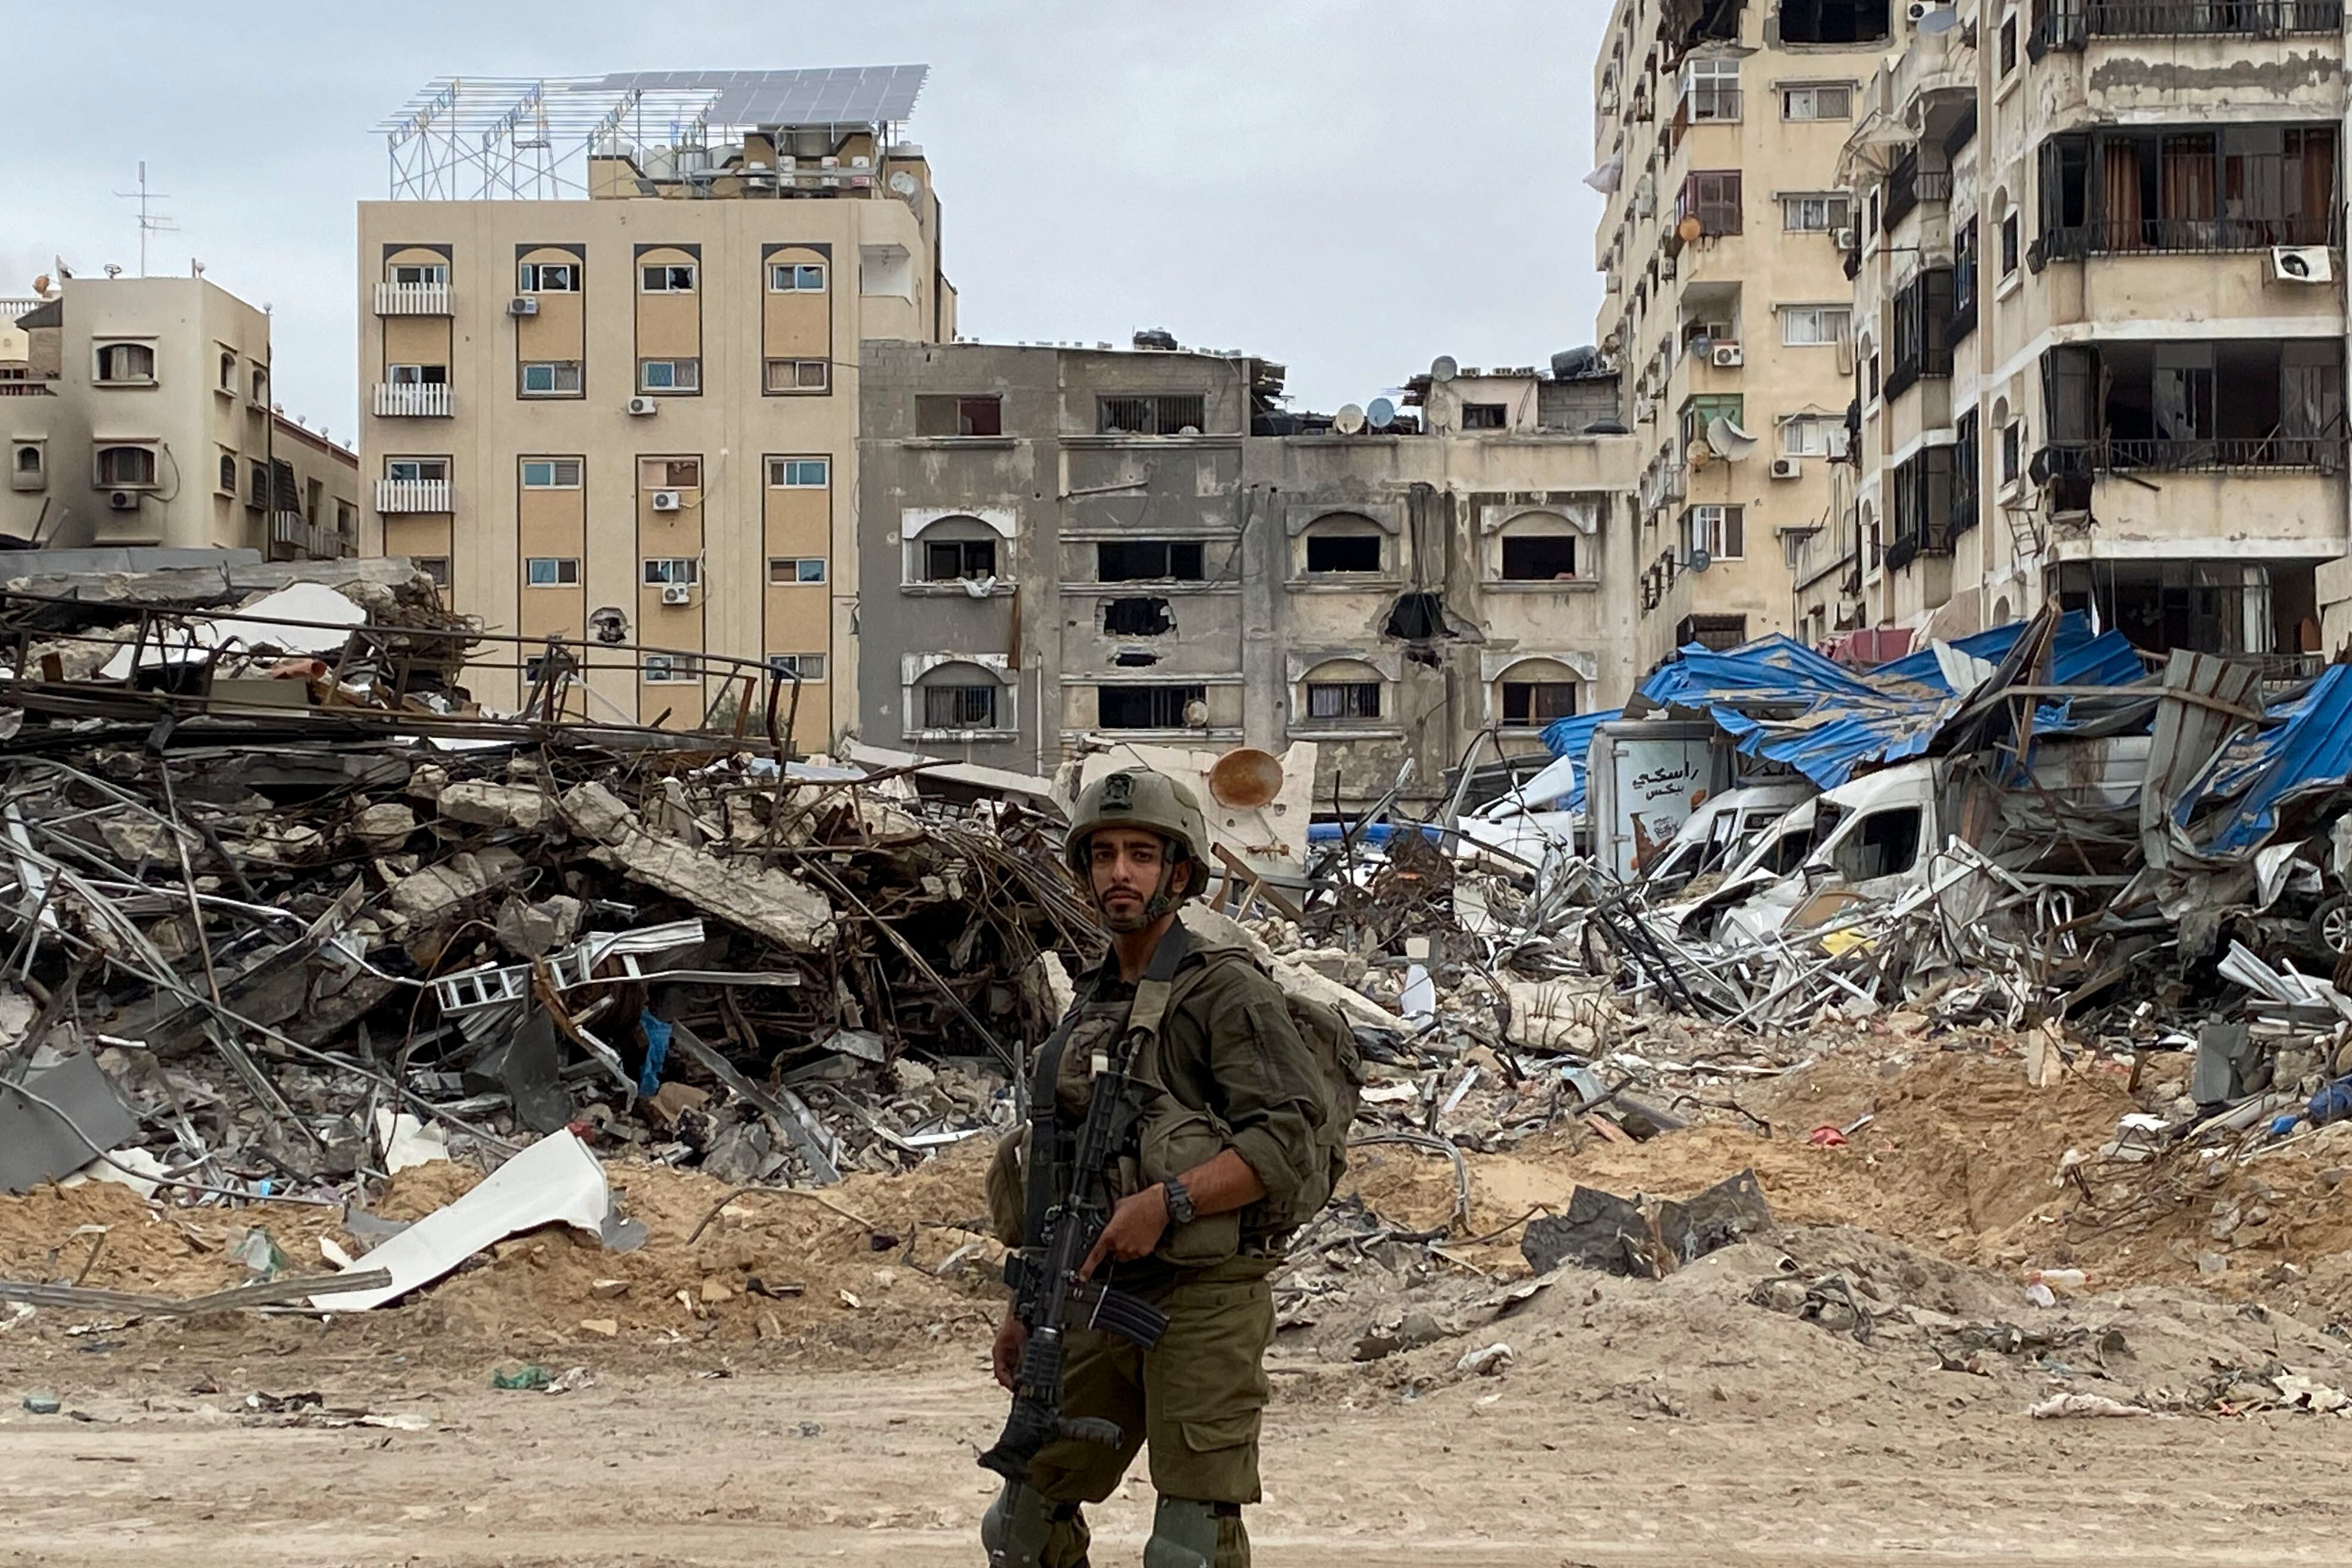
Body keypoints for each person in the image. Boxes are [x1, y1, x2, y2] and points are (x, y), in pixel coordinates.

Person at [983, 768, 1330, 1568]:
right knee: (1021, 1524)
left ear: (1179, 871)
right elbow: (1057, 1172)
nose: (1120, 873)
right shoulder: (1093, 998)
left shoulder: (1225, 991)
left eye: (1142, 854)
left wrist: (1169, 1201)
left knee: (1187, 1546)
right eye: (1103, 854)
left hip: (1206, 1297)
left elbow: (1287, 1142)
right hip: (1093, 1294)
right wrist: (1024, 1300)